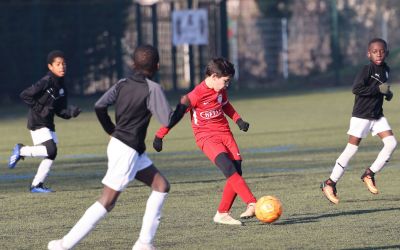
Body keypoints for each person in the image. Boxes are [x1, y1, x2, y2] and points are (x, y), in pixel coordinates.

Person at [48, 45, 186, 250]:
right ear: (157, 66)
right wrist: (183, 106)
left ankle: (144, 243)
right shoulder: (153, 88)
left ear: (133, 65)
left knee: (161, 186)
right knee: (107, 201)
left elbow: (99, 106)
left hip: (127, 148)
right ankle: (64, 245)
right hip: (127, 151)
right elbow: (167, 120)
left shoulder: (122, 83)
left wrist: (110, 130)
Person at [153, 58, 257, 226]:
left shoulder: (220, 89)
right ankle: (252, 203)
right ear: (214, 76)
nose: (227, 85)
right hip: (206, 137)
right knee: (228, 168)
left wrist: (238, 120)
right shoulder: (194, 96)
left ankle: (222, 213)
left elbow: (225, 105)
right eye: (226, 81)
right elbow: (176, 116)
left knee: (237, 169)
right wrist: (160, 135)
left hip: (225, 133)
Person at [321, 38, 397, 204]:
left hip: (377, 115)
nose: (379, 54)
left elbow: (383, 91)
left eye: (382, 51)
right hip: (362, 115)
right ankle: (329, 183)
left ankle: (369, 174)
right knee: (351, 150)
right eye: (375, 51)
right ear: (368, 54)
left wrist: (388, 94)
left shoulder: (386, 69)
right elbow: (356, 88)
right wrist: (377, 89)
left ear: (387, 53)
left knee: (391, 143)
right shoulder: (367, 69)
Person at [8, 50, 81, 193]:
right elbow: (25, 95)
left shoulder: (62, 86)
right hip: (37, 120)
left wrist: (71, 113)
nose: (62, 67)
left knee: (51, 153)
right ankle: (21, 150)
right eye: (58, 64)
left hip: (48, 121)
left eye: (64, 64)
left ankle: (37, 185)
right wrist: (40, 109)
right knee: (51, 150)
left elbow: (60, 111)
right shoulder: (46, 81)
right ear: (50, 67)